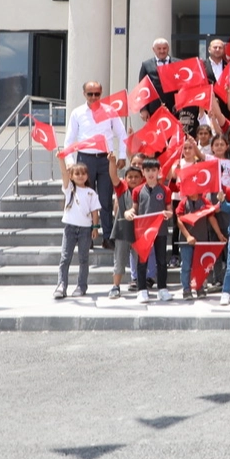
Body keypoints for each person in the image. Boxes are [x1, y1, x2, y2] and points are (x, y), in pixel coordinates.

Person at [63, 81, 127, 243]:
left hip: (106, 159)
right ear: (84, 94)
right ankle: (87, 238)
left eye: (97, 94)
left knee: (105, 199)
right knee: (85, 199)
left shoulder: (109, 111)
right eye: (90, 94)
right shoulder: (77, 113)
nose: (93, 97)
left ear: (101, 93)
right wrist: (69, 161)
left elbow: (122, 133)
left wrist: (122, 156)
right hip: (85, 159)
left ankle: (107, 237)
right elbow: (69, 139)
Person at [126, 159, 173, 303]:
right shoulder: (137, 191)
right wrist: (129, 213)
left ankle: (162, 289)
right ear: (143, 172)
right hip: (143, 231)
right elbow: (134, 208)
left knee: (161, 260)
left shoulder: (165, 190)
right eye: (147, 170)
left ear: (159, 171)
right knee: (142, 261)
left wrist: (168, 214)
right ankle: (142, 290)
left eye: (153, 170)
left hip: (160, 230)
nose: (151, 173)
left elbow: (170, 209)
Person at [54, 152, 100, 299]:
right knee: (65, 257)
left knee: (83, 259)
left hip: (85, 229)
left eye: (83, 173)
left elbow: (95, 211)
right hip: (70, 228)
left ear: (87, 176)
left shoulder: (91, 193)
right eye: (77, 174)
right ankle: (61, 285)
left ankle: (81, 286)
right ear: (72, 176)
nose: (80, 176)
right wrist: (61, 159)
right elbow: (63, 173)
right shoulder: (69, 189)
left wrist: (95, 227)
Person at [176, 184, 226, 299]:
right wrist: (188, 236)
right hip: (186, 241)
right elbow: (179, 220)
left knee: (200, 266)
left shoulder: (204, 201)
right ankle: (186, 289)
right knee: (186, 266)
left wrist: (219, 234)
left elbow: (211, 217)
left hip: (201, 240)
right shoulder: (183, 203)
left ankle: (199, 287)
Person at [106, 156, 146, 299]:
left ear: (142, 179)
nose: (133, 179)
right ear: (125, 178)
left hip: (140, 231)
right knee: (120, 259)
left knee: (141, 260)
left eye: (136, 177)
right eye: (130, 177)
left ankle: (142, 286)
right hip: (123, 229)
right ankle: (115, 286)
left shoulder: (145, 190)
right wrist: (112, 162)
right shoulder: (121, 188)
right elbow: (113, 176)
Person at [135, 38, 179, 114]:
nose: (162, 51)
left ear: (168, 48)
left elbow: (183, 87)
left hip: (175, 109)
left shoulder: (178, 63)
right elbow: (142, 88)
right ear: (153, 49)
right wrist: (143, 109)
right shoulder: (146, 65)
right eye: (159, 49)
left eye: (164, 48)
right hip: (154, 109)